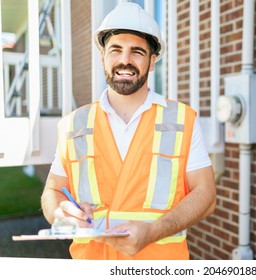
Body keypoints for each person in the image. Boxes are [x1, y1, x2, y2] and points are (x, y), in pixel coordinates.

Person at [41, 2, 216, 260]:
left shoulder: (181, 120)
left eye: (137, 51)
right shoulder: (74, 124)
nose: (125, 60)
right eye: (116, 50)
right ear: (103, 57)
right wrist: (59, 214)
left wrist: (155, 230)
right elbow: (53, 191)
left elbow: (206, 194)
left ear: (152, 61)